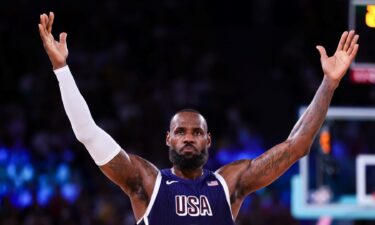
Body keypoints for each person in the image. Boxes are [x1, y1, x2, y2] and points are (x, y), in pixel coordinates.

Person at [38, 12, 359, 225]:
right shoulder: (147, 182)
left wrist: (329, 83)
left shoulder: (229, 184)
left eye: (195, 132)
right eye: (180, 131)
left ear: (208, 140)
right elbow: (88, 133)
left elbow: (297, 145)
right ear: (168, 138)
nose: (188, 137)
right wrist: (62, 69)